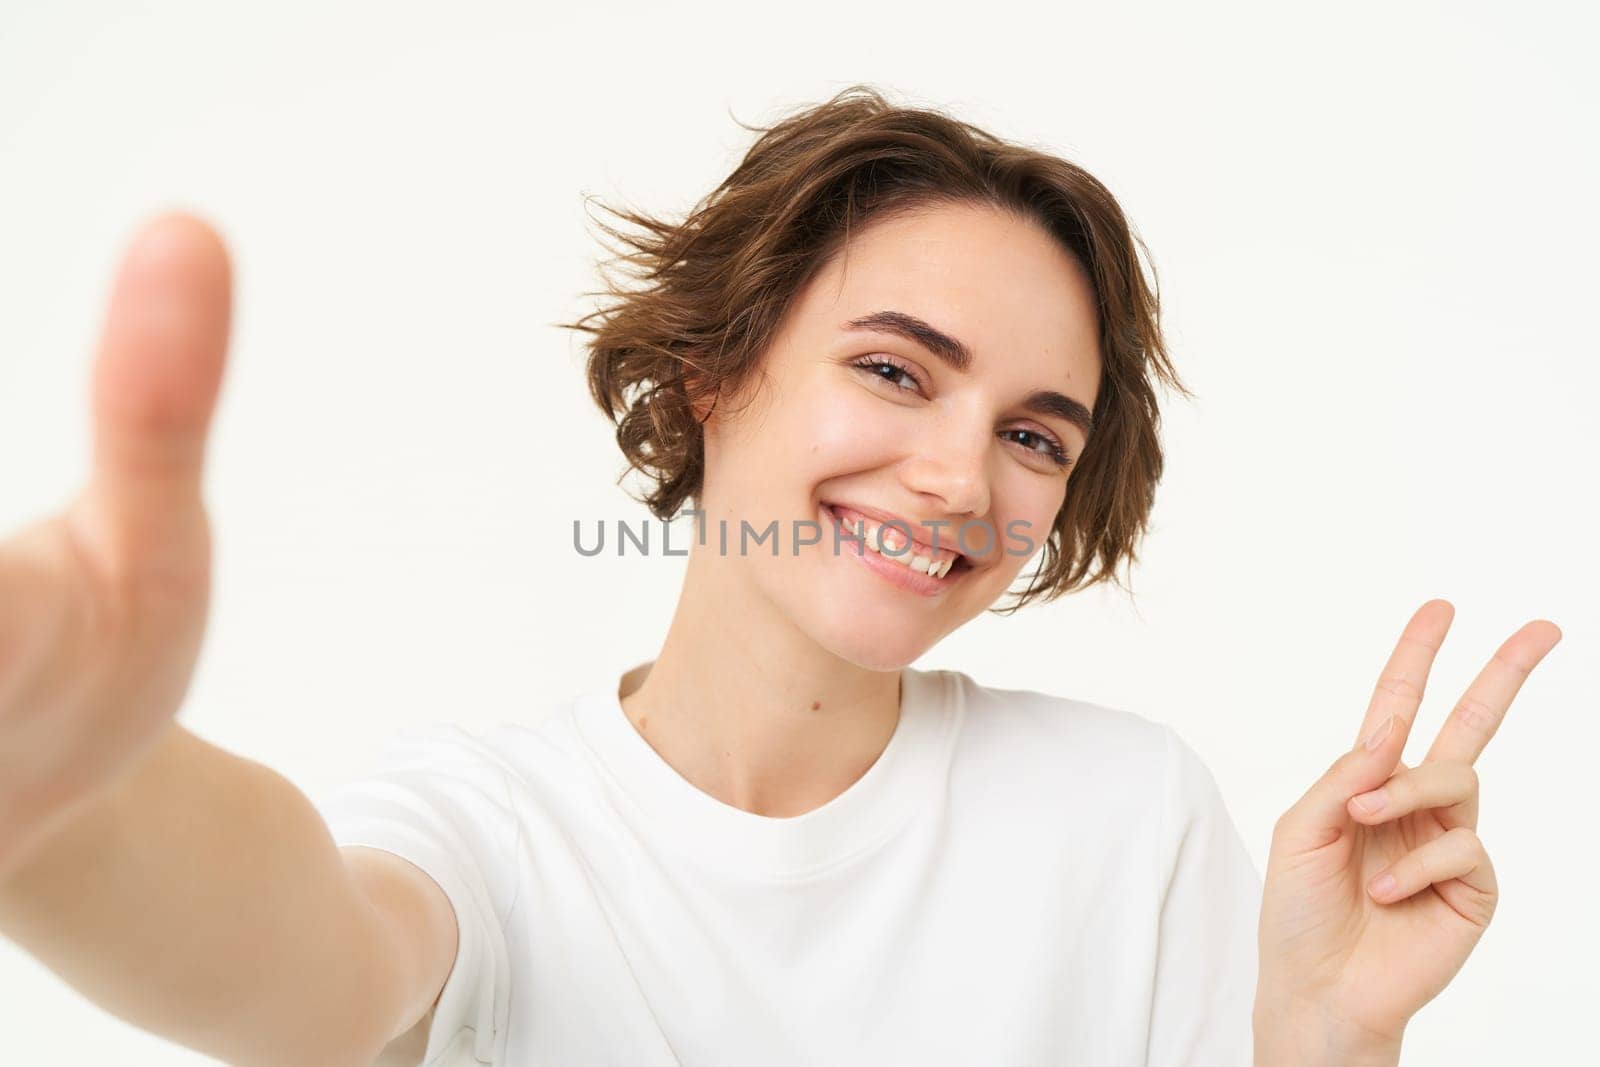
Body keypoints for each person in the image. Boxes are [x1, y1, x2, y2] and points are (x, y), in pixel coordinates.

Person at [0, 85, 1562, 1066]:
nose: (960, 478)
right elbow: (313, 973)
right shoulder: (497, 830)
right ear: (711, 377)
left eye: (1033, 431)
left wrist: (1325, 1044)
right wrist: (68, 799)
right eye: (893, 371)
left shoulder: (1124, 819)